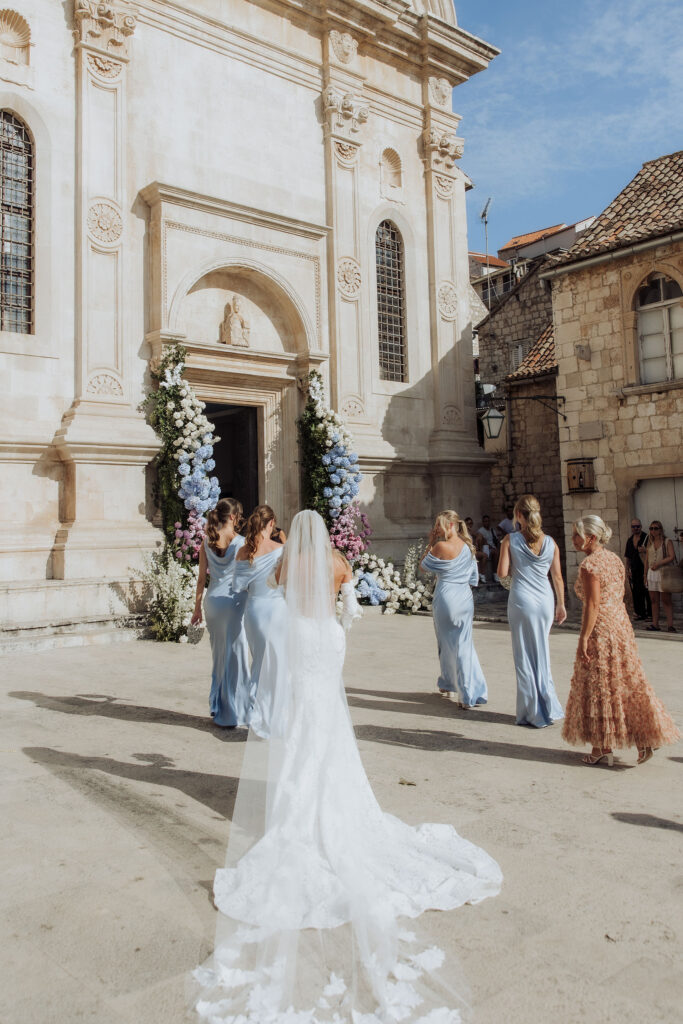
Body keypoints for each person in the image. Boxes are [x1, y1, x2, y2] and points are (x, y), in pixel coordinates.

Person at [194, 510, 502, 1022]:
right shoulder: (338, 563)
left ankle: (303, 816)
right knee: (332, 739)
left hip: (302, 651)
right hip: (328, 648)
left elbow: (272, 584)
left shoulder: (285, 564)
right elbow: (345, 594)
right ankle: (335, 814)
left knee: (303, 743)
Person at [562, 514, 679, 766]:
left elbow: (592, 605)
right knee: (625, 682)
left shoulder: (590, 566)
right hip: (620, 624)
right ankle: (642, 737)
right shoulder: (614, 559)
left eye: (576, 535)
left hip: (601, 628)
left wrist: (583, 637)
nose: (573, 539)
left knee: (600, 687)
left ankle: (602, 747)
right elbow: (623, 593)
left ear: (590, 537)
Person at [497, 495, 566, 728]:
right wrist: (561, 604)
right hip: (545, 601)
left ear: (518, 515)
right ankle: (549, 706)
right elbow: (557, 577)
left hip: (521, 601)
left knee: (524, 656)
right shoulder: (551, 542)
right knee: (542, 653)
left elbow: (502, 573)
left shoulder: (510, 539)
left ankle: (531, 712)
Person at [190, 498, 250, 727]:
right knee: (237, 656)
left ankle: (219, 706)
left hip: (212, 602)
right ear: (233, 517)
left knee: (219, 657)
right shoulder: (241, 542)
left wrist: (197, 609)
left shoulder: (207, 541)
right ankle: (237, 711)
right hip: (233, 603)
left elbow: (201, 579)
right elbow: (247, 577)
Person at [421, 510, 487, 709]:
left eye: (439, 525)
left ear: (450, 525)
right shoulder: (468, 547)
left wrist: (430, 542)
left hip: (446, 597)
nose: (436, 529)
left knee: (447, 643)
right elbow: (472, 577)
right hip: (465, 598)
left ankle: (459, 689)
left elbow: (423, 566)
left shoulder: (440, 546)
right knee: (464, 644)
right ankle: (456, 685)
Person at [233, 505, 287, 734]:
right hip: (276, 610)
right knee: (277, 665)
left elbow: (238, 586)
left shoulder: (243, 551)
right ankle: (270, 717)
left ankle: (254, 713)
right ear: (272, 523)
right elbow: (285, 582)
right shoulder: (280, 549)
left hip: (253, 610)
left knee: (258, 664)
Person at [644, 520, 677, 632]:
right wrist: (645, 575)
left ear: (660, 529)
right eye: (651, 528)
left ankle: (670, 625)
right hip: (651, 574)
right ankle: (655, 624)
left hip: (663, 573)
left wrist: (658, 563)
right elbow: (646, 561)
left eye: (656, 528)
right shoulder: (649, 543)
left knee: (666, 599)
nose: (653, 530)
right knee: (653, 600)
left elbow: (672, 556)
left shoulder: (667, 541)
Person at [624, 517, 651, 622]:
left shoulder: (647, 537)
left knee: (647, 592)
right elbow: (628, 557)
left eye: (638, 526)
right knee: (636, 592)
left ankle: (650, 614)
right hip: (635, 569)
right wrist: (627, 570)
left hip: (645, 569)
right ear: (631, 528)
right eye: (633, 526)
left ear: (641, 527)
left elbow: (653, 551)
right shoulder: (630, 540)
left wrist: (645, 550)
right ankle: (640, 613)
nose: (636, 528)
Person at [475, 514, 499, 581]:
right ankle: (494, 573)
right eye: (485, 521)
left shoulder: (492, 530)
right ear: (483, 522)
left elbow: (496, 540)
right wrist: (491, 547)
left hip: (493, 548)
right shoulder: (481, 531)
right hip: (485, 548)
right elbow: (482, 541)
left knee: (497, 552)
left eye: (488, 521)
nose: (487, 523)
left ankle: (496, 573)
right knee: (495, 552)